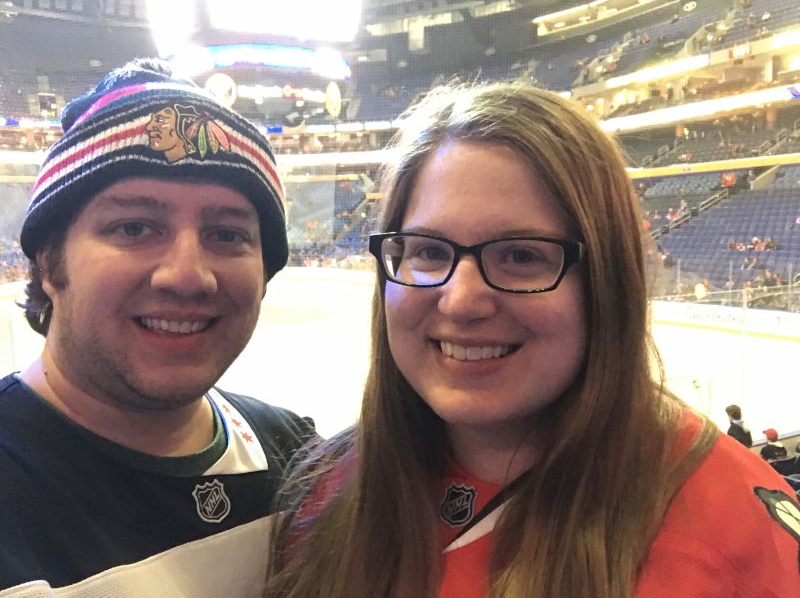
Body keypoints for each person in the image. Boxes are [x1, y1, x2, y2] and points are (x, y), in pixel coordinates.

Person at [263, 83, 800, 598]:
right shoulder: (326, 490)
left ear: (606, 282)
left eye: (521, 255)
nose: (461, 301)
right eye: (428, 251)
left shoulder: (736, 532)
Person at [0, 59, 315, 596]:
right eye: (134, 227)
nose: (188, 276)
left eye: (227, 234)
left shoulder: (302, 464)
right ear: (49, 263)